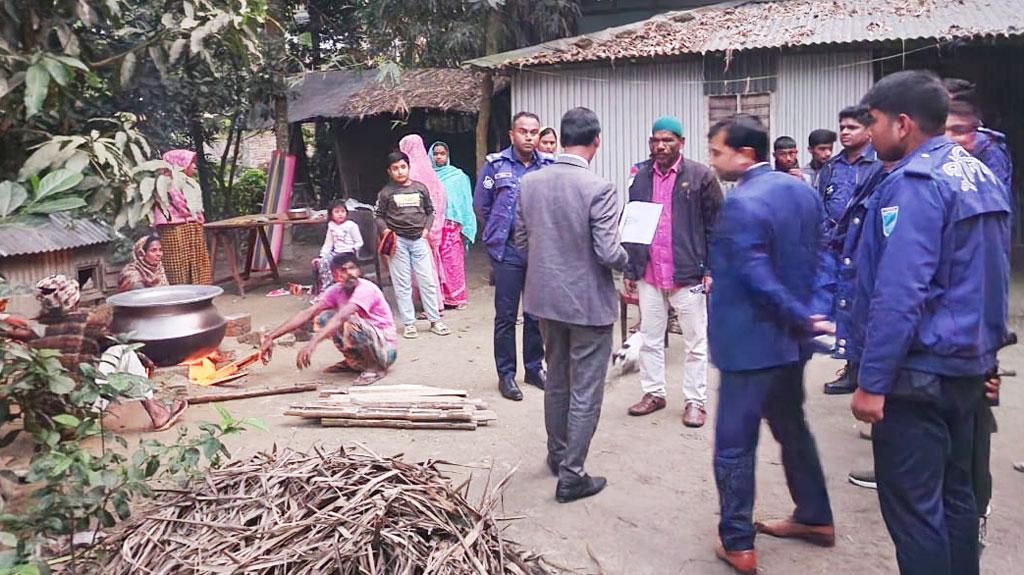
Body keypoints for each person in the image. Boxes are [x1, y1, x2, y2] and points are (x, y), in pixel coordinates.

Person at [850, 70, 1010, 575]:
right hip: (966, 367)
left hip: (918, 376)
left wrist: (872, 382)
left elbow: (900, 292)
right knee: (957, 498)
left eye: (872, 123)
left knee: (916, 512)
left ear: (901, 124)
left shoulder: (916, 183)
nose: (869, 133)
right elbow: (991, 274)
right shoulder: (980, 173)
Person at [706, 114, 834, 575]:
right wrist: (813, 316)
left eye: (717, 151)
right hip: (790, 344)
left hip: (750, 344)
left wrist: (801, 316)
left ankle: (737, 541)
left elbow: (755, 276)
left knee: (734, 444)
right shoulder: (801, 191)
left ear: (745, 155)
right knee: (791, 426)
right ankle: (815, 515)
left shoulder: (742, 203)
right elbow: (824, 255)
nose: (713, 160)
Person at [514, 106, 628, 503]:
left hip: (545, 300)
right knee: (585, 389)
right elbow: (608, 252)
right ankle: (572, 475)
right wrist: (631, 256)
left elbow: (521, 243)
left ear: (560, 139)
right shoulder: (599, 187)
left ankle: (557, 454)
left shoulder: (530, 183)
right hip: (588, 304)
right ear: (597, 140)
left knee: (556, 379)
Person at [945, 88, 1016, 551]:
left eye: (957, 131)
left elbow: (989, 265)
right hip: (957, 316)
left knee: (972, 422)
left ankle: (975, 515)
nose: (949, 140)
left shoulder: (987, 173)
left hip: (972, 320)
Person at [621, 115, 722, 427]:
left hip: (688, 273)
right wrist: (630, 267)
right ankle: (654, 392)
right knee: (650, 337)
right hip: (650, 272)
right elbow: (633, 223)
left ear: (681, 142)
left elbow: (717, 226)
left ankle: (695, 401)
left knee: (695, 342)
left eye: (668, 140)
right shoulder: (640, 176)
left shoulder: (701, 176)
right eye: (655, 140)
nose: (661, 146)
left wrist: (712, 268)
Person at [32, 275, 188, 431]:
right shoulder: (84, 321)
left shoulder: (35, 328)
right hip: (78, 418)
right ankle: (156, 413)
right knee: (122, 351)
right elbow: (111, 339)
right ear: (74, 301)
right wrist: (143, 358)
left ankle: (57, 429)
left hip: (48, 424)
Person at [474, 111, 554, 401]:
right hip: (507, 251)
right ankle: (506, 375)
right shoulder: (496, 166)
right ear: (512, 135)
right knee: (506, 316)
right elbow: (481, 205)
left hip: (538, 251)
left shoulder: (548, 166)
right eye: (523, 131)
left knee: (535, 315)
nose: (530, 137)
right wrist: (498, 234)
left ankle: (534, 369)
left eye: (534, 132)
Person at [816, 105, 882, 395]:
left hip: (866, 249)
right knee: (843, 307)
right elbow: (820, 204)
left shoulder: (880, 165)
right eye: (842, 127)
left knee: (866, 308)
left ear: (869, 131)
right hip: (835, 248)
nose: (844, 132)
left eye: (852, 127)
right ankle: (851, 367)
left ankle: (868, 371)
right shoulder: (832, 166)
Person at [261, 253, 397, 385]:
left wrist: (312, 344)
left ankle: (374, 368)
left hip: (385, 351)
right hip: (367, 343)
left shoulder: (366, 289)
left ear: (359, 271)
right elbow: (308, 313)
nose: (349, 273)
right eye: (343, 270)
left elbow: (342, 317)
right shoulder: (335, 291)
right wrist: (271, 337)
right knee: (325, 318)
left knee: (350, 322)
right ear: (335, 275)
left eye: (352, 268)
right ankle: (354, 361)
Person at [374, 151, 451, 339]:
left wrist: (426, 230)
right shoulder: (386, 193)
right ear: (389, 171)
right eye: (395, 169)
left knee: (428, 281)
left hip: (419, 240)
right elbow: (378, 216)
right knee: (402, 284)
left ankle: (435, 320)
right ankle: (409, 324)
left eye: (403, 167)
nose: (400, 172)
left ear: (409, 167)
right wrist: (386, 232)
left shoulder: (420, 188)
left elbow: (430, 211)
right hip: (398, 242)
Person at [399, 135, 447, 318]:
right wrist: (434, 225)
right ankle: (436, 303)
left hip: (416, 229)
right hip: (431, 226)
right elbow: (441, 199)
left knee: (423, 270)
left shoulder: (411, 175)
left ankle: (432, 307)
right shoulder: (431, 172)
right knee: (430, 267)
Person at [153, 149, 212, 285]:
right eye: (191, 163)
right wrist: (194, 215)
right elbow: (180, 203)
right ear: (180, 164)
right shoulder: (167, 182)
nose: (194, 166)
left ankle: (199, 290)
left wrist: (197, 215)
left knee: (196, 261)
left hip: (188, 224)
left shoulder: (188, 182)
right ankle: (182, 294)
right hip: (174, 227)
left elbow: (196, 204)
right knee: (178, 263)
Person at [430, 141, 476, 309]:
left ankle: (457, 298)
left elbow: (465, 201)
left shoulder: (459, 177)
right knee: (436, 261)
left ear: (448, 155)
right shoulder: (428, 176)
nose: (439, 156)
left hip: (452, 226)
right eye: (436, 153)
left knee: (453, 261)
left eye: (442, 153)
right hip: (434, 226)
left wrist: (465, 223)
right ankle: (440, 298)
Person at [312, 200, 363, 295]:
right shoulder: (331, 226)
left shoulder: (351, 225)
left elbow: (359, 242)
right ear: (331, 214)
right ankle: (327, 288)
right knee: (323, 262)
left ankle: (341, 288)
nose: (340, 214)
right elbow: (328, 244)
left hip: (348, 253)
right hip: (336, 252)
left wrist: (353, 249)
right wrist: (321, 256)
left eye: (342, 211)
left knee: (336, 263)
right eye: (337, 212)